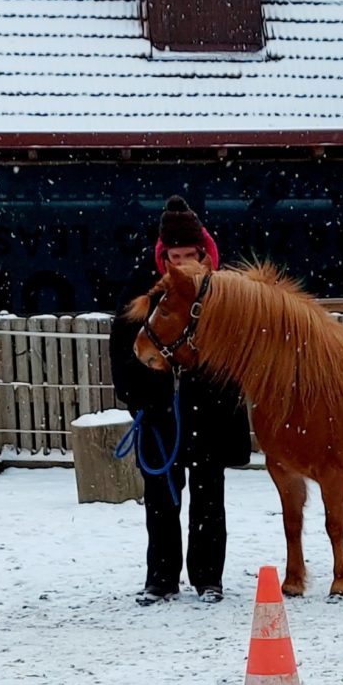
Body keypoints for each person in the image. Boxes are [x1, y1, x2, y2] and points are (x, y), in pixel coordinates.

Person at [110, 194, 251, 606]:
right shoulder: (142, 286)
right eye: (177, 254)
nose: (185, 261)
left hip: (209, 408)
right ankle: (162, 577)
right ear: (163, 253)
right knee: (161, 497)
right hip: (159, 411)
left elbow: (239, 349)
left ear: (204, 251)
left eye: (192, 254)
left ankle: (209, 577)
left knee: (209, 495)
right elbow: (123, 347)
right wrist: (140, 398)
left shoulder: (224, 289)